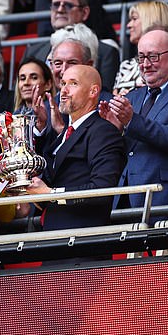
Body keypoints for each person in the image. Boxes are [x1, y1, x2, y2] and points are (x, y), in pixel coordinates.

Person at [99, 27, 168, 208]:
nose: (145, 64)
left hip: (161, 197)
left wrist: (131, 121)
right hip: (123, 195)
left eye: (153, 57)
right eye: (141, 57)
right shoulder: (133, 96)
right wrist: (114, 130)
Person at [28, 65, 126, 230]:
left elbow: (102, 189)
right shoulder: (66, 134)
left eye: (73, 83)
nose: (64, 91)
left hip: (82, 242)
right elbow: (50, 186)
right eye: (63, 83)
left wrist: (51, 194)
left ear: (93, 91)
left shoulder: (103, 131)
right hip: (53, 239)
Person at [22, 0, 120, 92]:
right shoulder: (33, 51)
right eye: (56, 4)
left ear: (84, 12)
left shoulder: (105, 52)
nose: (60, 9)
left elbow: (105, 95)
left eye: (67, 5)